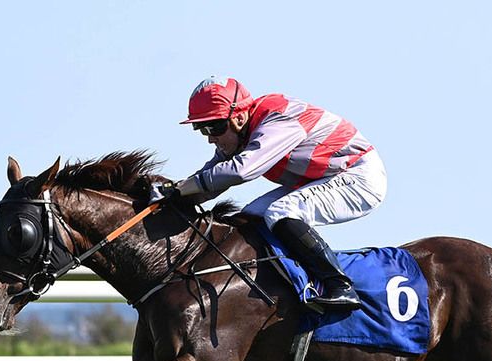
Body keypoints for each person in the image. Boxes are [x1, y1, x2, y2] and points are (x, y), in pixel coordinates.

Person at [156, 76, 387, 310]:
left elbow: (241, 171)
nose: (209, 138)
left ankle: (340, 286)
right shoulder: (241, 133)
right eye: (201, 128)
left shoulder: (277, 120)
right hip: (326, 177)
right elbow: (211, 179)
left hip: (358, 175)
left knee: (281, 211)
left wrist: (181, 189)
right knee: (248, 218)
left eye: (214, 127)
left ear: (238, 118)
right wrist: (172, 196)